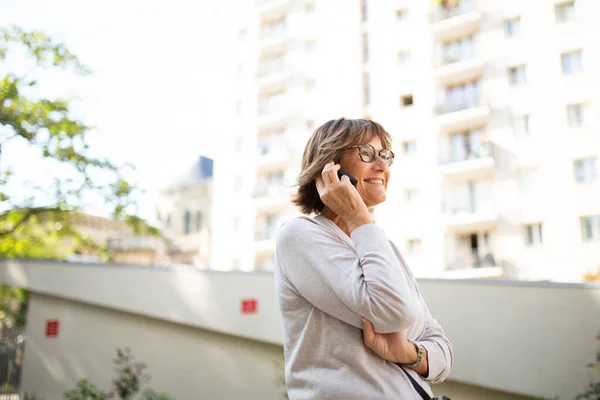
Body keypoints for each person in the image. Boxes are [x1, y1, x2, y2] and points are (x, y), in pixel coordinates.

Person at [274, 118, 453, 399]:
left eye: (385, 155)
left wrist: (407, 352)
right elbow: (393, 311)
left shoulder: (382, 246)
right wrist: (358, 217)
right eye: (367, 153)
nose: (382, 166)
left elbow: (441, 353)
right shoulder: (299, 235)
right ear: (329, 168)